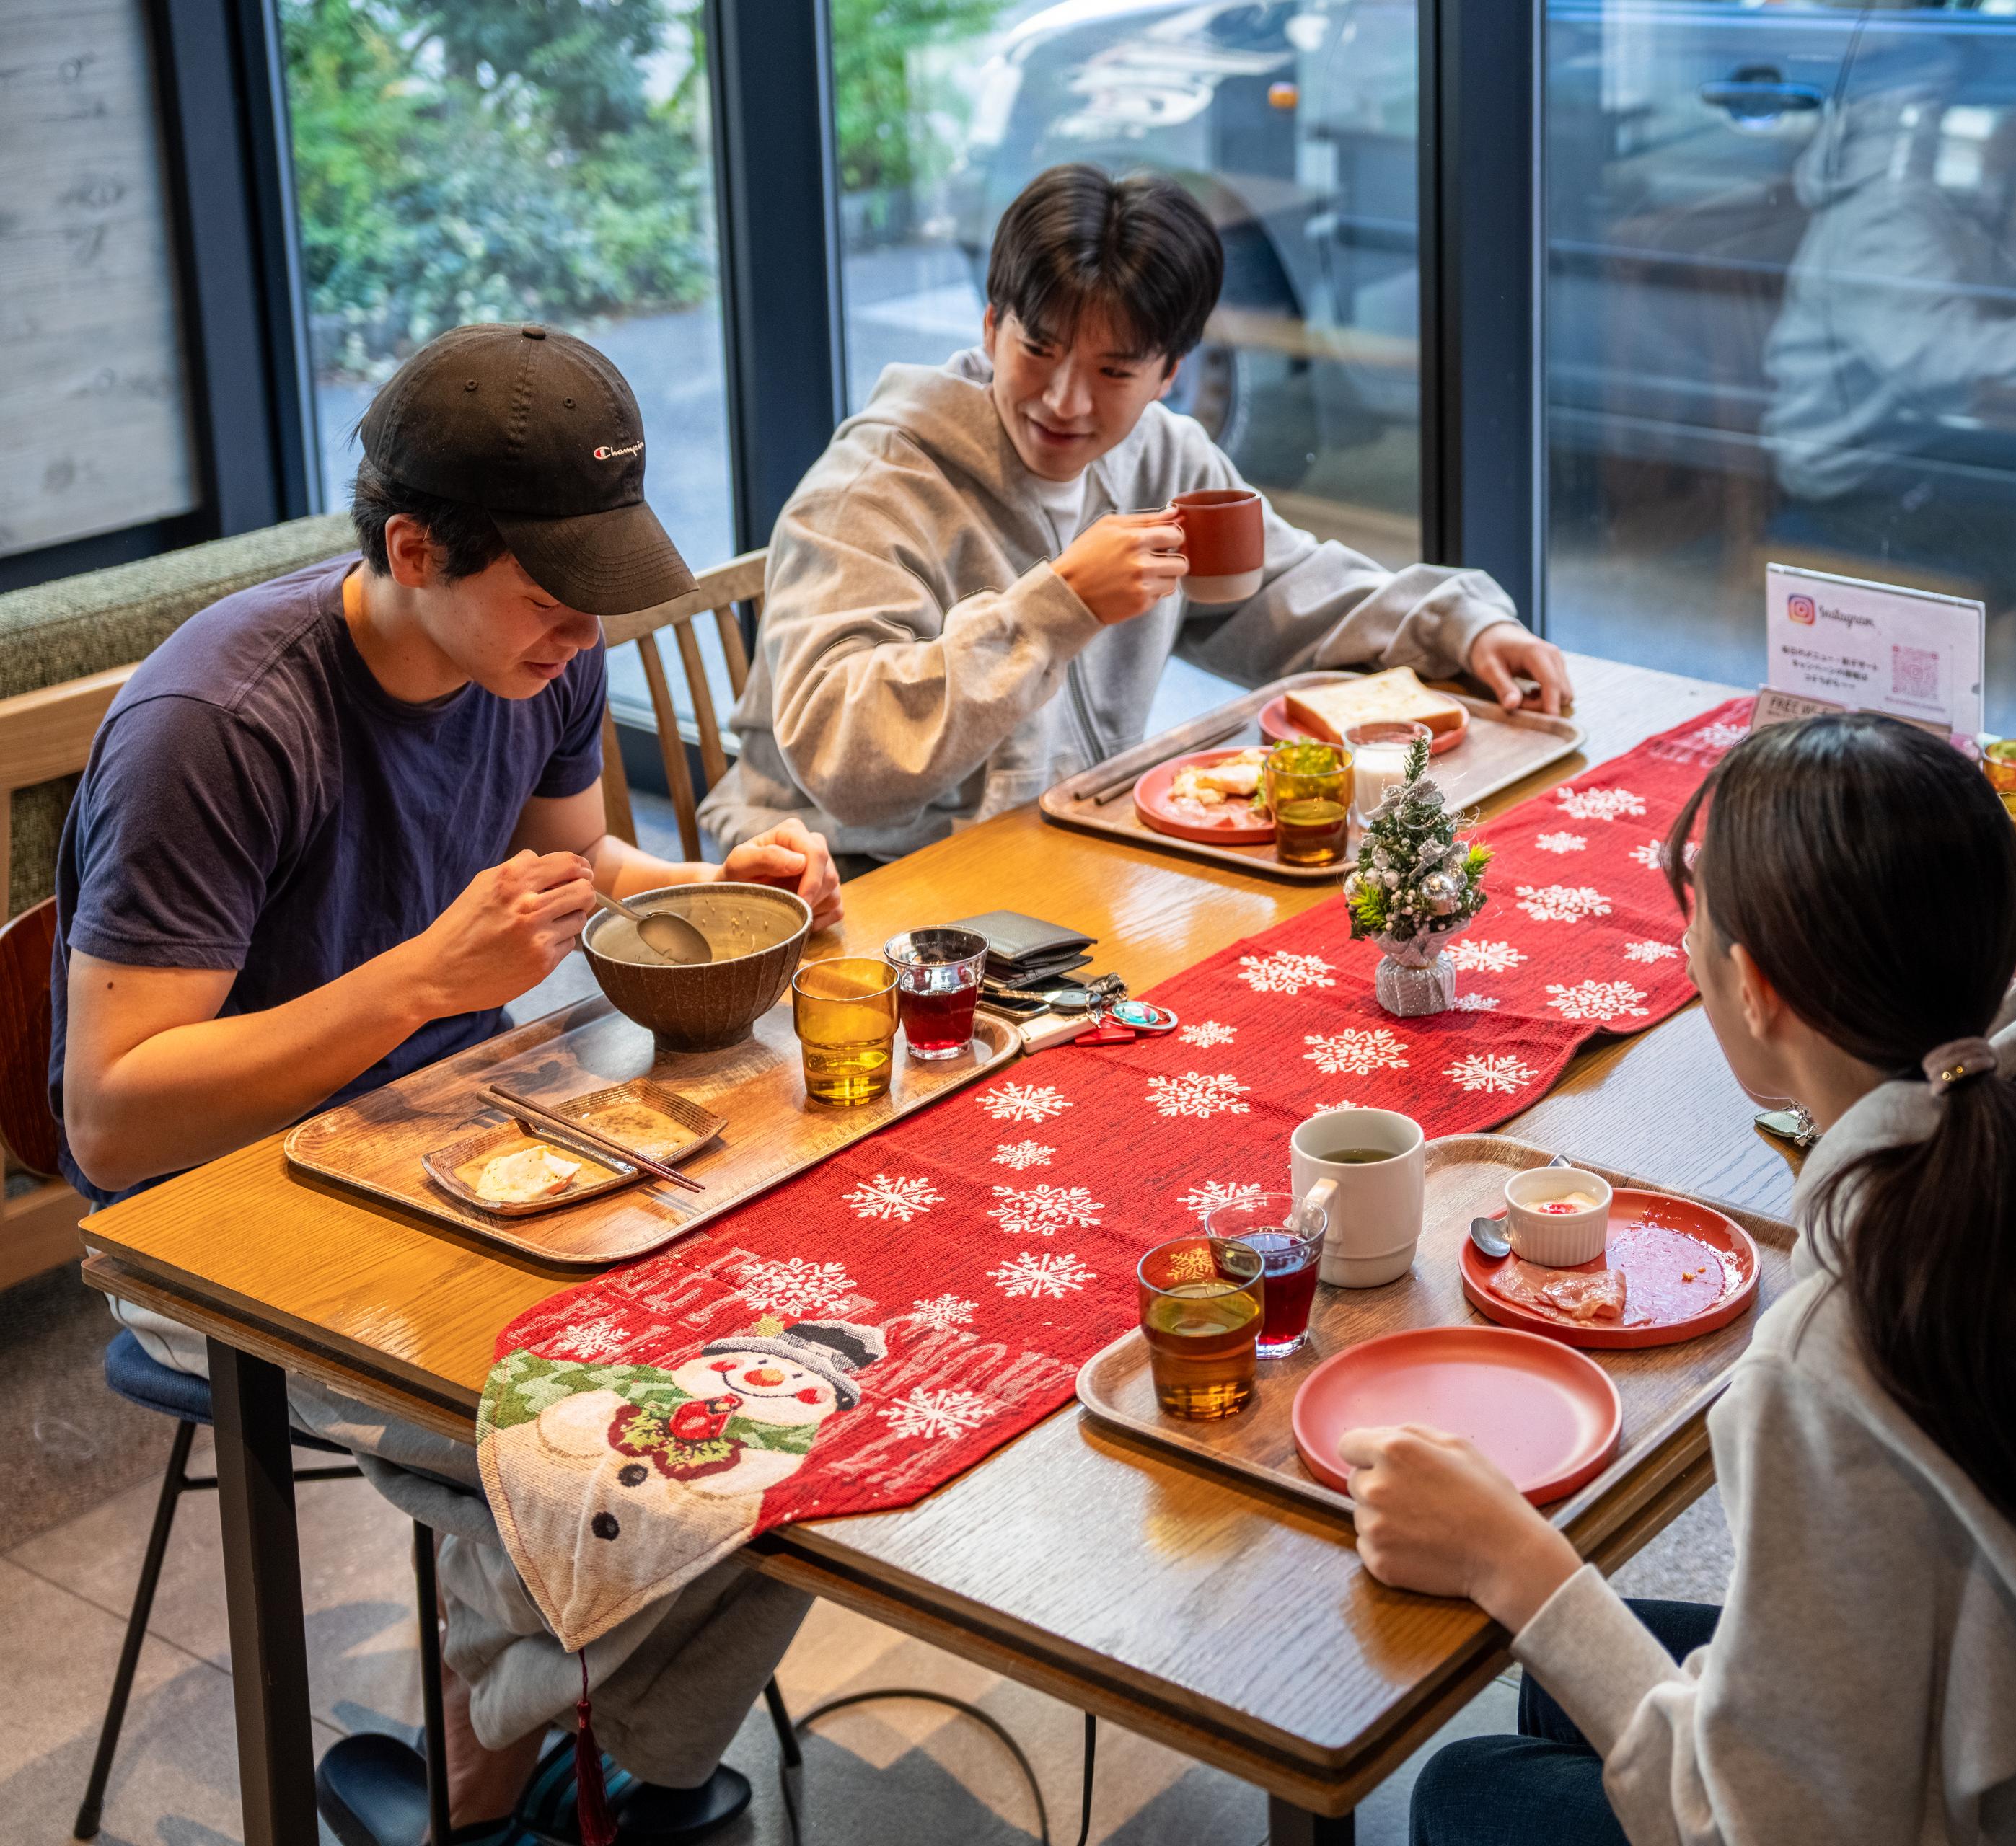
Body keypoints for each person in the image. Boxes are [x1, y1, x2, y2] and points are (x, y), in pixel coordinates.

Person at [51, 322, 844, 1843]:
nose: (583, 638)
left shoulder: (530, 658)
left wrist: (708, 876)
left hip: (453, 1137)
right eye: (554, 598)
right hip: (211, 1223)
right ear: (414, 545)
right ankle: (522, 1767)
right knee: (649, 1439)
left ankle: (558, 1749)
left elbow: (581, 862)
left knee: (814, 1360)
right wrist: (423, 977)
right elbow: (115, 1113)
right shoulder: (218, 727)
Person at [1350, 715, 2016, 1845]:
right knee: (1567, 1684)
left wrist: (1516, 1564)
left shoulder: (1840, 1352)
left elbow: (1780, 1832)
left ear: (1754, 988)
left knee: (1465, 1789)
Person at [697, 164, 1568, 865]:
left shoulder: (1163, 457)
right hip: (850, 876)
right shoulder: (874, 487)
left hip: (1064, 845)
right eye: (1037, 349)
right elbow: (844, 760)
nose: (1066, 401)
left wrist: (1463, 626)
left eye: (1115, 372)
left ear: (1170, 373)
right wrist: (1056, 607)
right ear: (992, 323)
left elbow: (1285, 589)